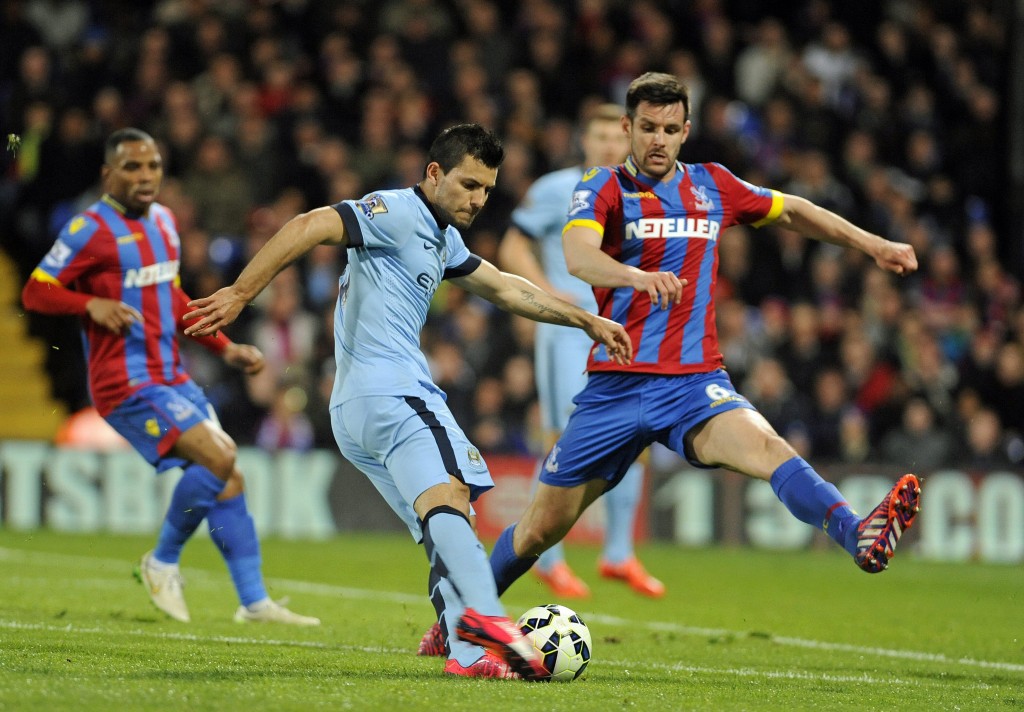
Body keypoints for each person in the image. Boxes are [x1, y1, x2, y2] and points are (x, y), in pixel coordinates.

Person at [182, 124, 633, 679]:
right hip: (392, 390)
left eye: (487, 190)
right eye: (468, 184)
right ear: (434, 173)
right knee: (450, 501)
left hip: (357, 407)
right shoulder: (395, 212)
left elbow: (505, 287)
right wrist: (240, 292)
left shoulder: (443, 239)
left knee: (446, 515)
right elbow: (310, 224)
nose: (478, 200)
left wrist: (585, 319)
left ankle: (462, 645)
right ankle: (486, 626)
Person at [483, 72, 923, 603]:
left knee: (769, 447)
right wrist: (637, 278)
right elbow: (578, 257)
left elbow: (793, 210)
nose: (658, 140)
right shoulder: (601, 186)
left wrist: (873, 244)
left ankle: (857, 534)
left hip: (693, 385)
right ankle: (458, 617)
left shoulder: (713, 185)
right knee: (538, 529)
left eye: (670, 130)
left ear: (686, 131)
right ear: (628, 127)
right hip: (615, 387)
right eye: (648, 128)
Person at [21, 128, 319, 627]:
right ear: (108, 175)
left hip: (171, 374)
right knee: (220, 456)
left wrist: (225, 347)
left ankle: (253, 602)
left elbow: (171, 299)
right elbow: (36, 291)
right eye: (132, 167)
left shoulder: (163, 221)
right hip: (125, 383)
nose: (145, 176)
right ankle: (161, 562)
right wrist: (90, 303)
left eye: (153, 166)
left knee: (229, 475)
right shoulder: (88, 229)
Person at [496, 103, 664, 600]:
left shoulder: (644, 192)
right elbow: (512, 247)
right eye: (600, 137)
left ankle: (619, 553)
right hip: (570, 331)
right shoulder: (557, 189)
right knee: (566, 438)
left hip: (627, 330)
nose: (610, 146)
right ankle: (549, 560)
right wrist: (547, 293)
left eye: (617, 138)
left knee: (635, 434)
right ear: (584, 142)